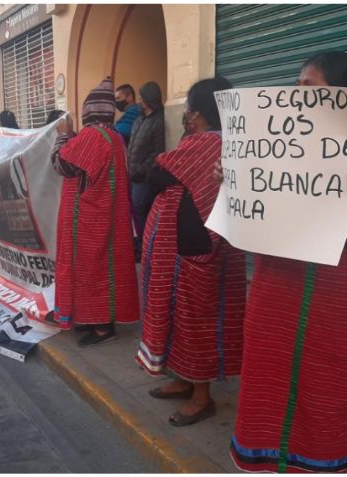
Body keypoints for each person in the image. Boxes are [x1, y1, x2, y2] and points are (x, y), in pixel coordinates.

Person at [227, 51, 347, 473]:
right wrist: (235, 184)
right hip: (277, 295)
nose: (297, 97)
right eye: (295, 88)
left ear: (343, 95)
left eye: (309, 88)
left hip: (338, 310)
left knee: (327, 393)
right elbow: (254, 217)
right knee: (268, 385)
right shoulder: (275, 144)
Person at [136, 77, 246, 427]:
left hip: (198, 249)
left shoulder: (204, 143)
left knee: (195, 317)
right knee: (189, 315)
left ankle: (202, 396)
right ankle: (184, 379)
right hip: (211, 244)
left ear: (197, 114)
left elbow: (156, 173)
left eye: (188, 111)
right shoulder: (238, 143)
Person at [49, 76, 139, 346]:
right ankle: (92, 320)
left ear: (90, 111)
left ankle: (102, 327)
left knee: (91, 272)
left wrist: (64, 133)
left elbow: (61, 163)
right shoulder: (114, 136)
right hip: (107, 215)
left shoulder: (92, 136)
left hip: (88, 219)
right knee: (104, 271)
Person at [126, 82, 166, 260]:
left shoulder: (158, 121)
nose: (139, 100)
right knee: (135, 211)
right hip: (133, 175)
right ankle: (140, 245)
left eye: (141, 97)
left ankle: (145, 246)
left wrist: (140, 170)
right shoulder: (139, 119)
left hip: (143, 178)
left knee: (139, 208)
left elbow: (158, 152)